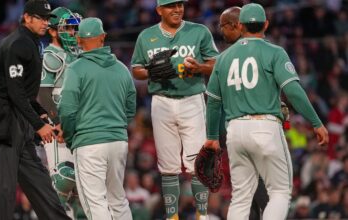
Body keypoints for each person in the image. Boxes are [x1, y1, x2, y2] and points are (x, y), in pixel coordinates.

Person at [204, 3, 329, 220]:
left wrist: (212, 138)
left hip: (234, 131)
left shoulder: (223, 58)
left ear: (241, 25)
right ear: (267, 24)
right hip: (264, 126)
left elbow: (213, 102)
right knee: (280, 192)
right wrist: (316, 122)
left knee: (241, 197)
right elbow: (293, 91)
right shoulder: (274, 52)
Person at [0, 0, 71, 219]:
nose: (45, 23)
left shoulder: (32, 42)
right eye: (40, 18)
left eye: (48, 19)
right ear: (27, 17)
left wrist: (41, 113)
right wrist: (39, 125)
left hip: (20, 122)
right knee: (4, 191)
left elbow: (24, 94)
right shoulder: (18, 43)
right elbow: (13, 91)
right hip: (3, 121)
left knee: (41, 186)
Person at [131, 0, 219, 219]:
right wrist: (151, 71)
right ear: (159, 10)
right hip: (162, 101)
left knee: (198, 163)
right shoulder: (146, 36)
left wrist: (199, 67)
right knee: (168, 165)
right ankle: (172, 216)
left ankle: (202, 215)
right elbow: (136, 69)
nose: (178, 9)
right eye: (171, 5)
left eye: (180, 4)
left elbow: (215, 63)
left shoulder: (199, 31)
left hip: (192, 99)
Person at [58, 17, 136, 220]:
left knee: (96, 202)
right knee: (117, 199)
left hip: (89, 143)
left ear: (79, 41)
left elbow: (67, 110)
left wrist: (70, 137)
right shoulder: (121, 68)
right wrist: (114, 127)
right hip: (118, 141)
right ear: (103, 37)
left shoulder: (76, 68)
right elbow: (130, 108)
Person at [217, 7, 269, 220]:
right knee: (256, 188)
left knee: (249, 191)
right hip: (255, 127)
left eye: (223, 27)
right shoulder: (263, 50)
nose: (221, 32)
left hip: (238, 127)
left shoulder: (227, 56)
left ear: (237, 25)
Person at [38, 6, 82, 218]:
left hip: (79, 124)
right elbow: (43, 94)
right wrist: (58, 122)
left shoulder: (78, 53)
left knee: (83, 184)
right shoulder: (50, 55)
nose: (72, 33)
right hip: (58, 126)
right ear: (53, 31)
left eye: (74, 29)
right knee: (63, 178)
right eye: (67, 28)